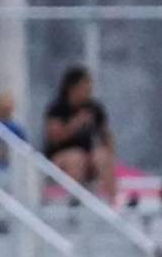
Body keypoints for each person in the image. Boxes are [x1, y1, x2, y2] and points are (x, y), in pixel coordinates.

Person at [44, 65, 115, 200]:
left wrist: (109, 151)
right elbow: (54, 137)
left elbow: (105, 134)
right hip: (61, 156)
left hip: (88, 154)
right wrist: (75, 124)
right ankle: (74, 200)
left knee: (102, 157)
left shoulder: (94, 108)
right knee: (76, 158)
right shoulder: (57, 108)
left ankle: (112, 199)